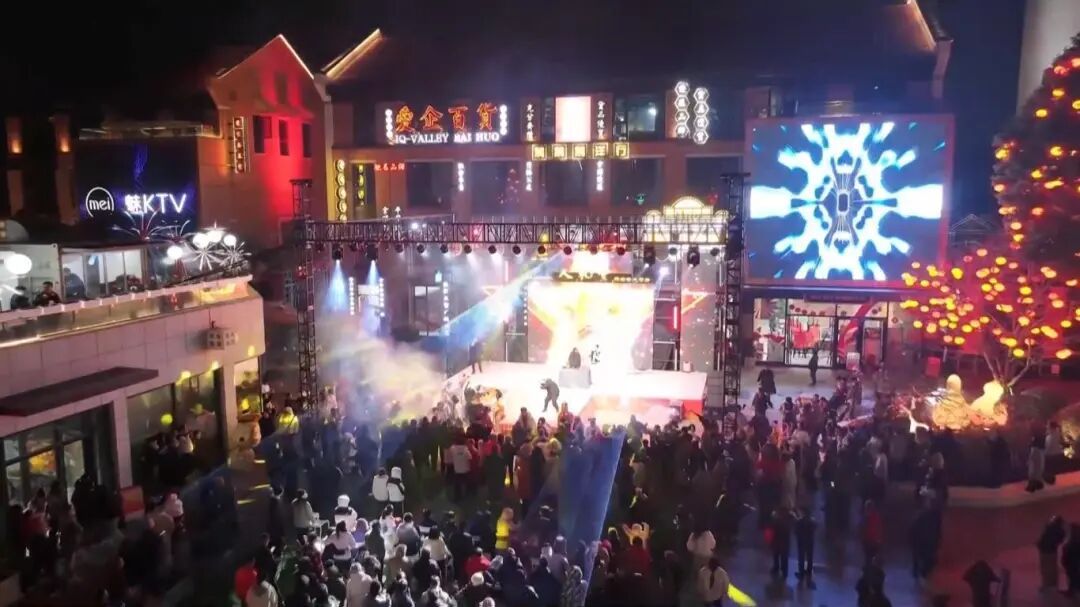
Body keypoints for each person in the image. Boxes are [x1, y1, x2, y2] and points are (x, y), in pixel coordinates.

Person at [1037, 516, 1066, 590]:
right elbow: (1060, 541)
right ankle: (1053, 584)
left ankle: (1047, 584)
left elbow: (1043, 537)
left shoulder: (1049, 528)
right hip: (1052, 550)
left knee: (1045, 568)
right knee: (1052, 568)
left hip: (1044, 550)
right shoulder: (1061, 531)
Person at [795, 507, 817, 587]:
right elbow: (814, 529)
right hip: (809, 542)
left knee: (801, 557)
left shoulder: (799, 521)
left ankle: (801, 572)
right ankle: (809, 571)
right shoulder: (812, 521)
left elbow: (796, 531)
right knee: (809, 557)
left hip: (801, 541)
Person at [1064, 523, 1080, 597]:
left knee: (1073, 576)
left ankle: (1072, 591)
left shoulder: (1073, 540)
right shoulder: (1075, 539)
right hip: (1073, 561)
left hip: (1072, 562)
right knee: (1074, 576)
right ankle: (1073, 590)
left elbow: (1069, 551)